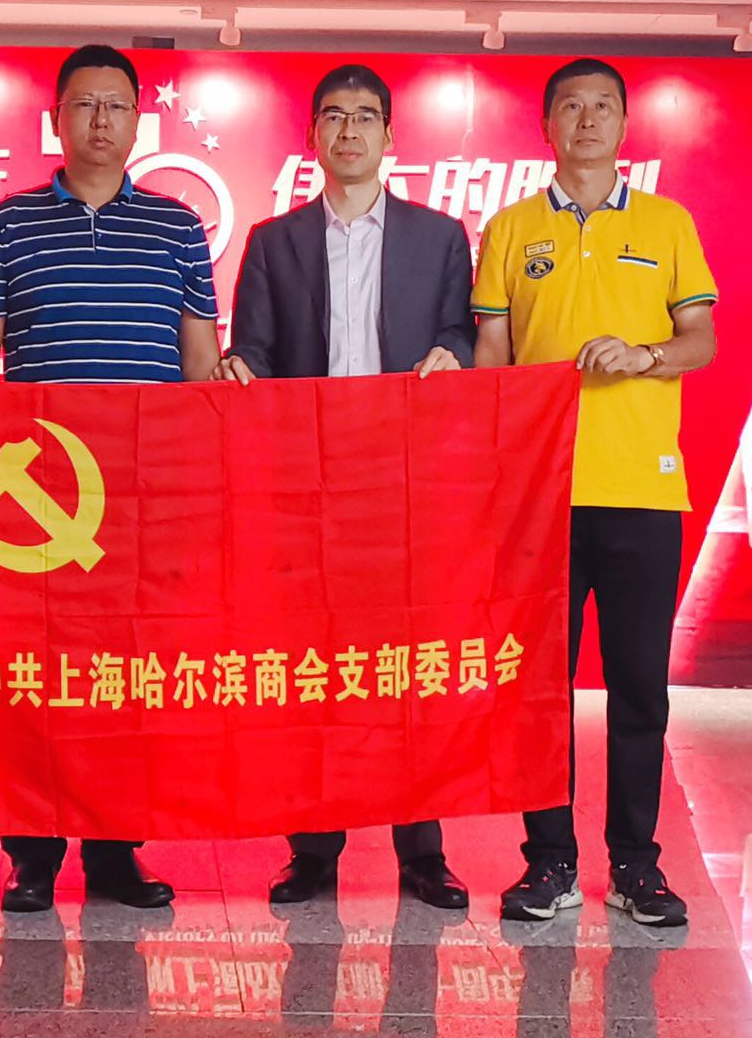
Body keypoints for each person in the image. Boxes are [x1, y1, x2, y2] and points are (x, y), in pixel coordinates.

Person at [0, 44, 222, 913]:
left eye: (116, 105)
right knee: (38, 674)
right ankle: (31, 854)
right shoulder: (8, 225)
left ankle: (114, 852)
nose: (101, 120)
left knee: (127, 674)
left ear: (140, 120)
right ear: (57, 119)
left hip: (144, 493)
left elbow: (200, 369)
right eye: (85, 104)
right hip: (39, 496)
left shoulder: (179, 228)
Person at [215, 64, 475, 909]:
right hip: (308, 488)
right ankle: (313, 850)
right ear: (314, 137)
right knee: (313, 665)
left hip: (405, 485)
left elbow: (460, 338)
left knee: (410, 668)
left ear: (390, 136)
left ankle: (422, 853)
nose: (350, 131)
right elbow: (254, 348)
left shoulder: (440, 238)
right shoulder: (274, 241)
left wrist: (454, 357)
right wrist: (239, 367)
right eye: (334, 117)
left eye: (366, 117)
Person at [473, 58, 718, 927]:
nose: (587, 119)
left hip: (643, 489)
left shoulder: (667, 223)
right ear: (546, 125)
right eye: (571, 106)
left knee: (639, 687)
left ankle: (637, 866)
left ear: (622, 125)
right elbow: (492, 359)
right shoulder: (510, 230)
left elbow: (700, 339)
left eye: (603, 106)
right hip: (539, 495)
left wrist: (644, 355)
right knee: (538, 693)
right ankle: (549, 863)